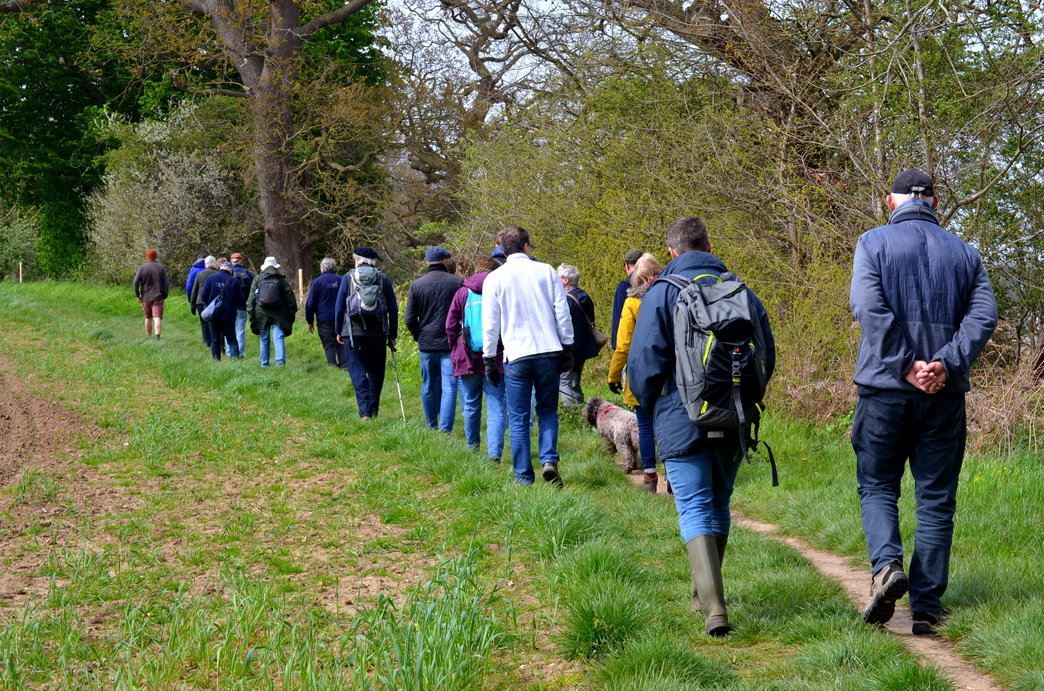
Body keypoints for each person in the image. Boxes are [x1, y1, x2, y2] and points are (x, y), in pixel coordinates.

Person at [850, 169, 997, 635]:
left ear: (890, 203)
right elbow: (984, 315)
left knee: (878, 487)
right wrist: (944, 365)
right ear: (935, 202)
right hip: (943, 396)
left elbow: (867, 308)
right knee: (935, 499)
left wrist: (906, 365)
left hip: (883, 391)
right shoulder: (966, 253)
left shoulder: (872, 244)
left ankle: (887, 568)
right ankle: (928, 608)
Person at [628, 216, 775, 636]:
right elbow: (767, 354)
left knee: (693, 506)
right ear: (709, 244)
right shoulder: (741, 291)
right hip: (734, 416)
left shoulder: (660, 294)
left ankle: (714, 608)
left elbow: (643, 367)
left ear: (672, 252)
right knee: (718, 504)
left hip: (679, 417)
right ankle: (703, 598)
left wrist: (657, 404)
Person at [482, 226, 574, 485]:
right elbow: (561, 312)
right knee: (547, 412)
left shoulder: (495, 278)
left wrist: (489, 358)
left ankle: (523, 476)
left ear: (503, 250)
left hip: (517, 356)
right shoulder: (546, 270)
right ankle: (548, 460)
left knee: (519, 417)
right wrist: (568, 345)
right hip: (548, 351)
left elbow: (490, 324)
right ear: (526, 247)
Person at [607, 253, 663, 491]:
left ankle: (650, 476)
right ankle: (673, 475)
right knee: (668, 425)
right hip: (671, 372)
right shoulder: (671, 296)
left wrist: (614, 374)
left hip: (641, 373)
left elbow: (624, 345)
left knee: (645, 426)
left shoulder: (633, 302)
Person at [446, 256, 507, 461]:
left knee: (471, 404)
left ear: (476, 269)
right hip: (496, 357)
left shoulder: (463, 292)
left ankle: (473, 450)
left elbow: (450, 324)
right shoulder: (500, 289)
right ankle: (494, 454)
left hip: (468, 356)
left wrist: (455, 347)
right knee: (496, 404)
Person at [405, 246, 464, 432]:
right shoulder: (457, 282)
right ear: (445, 261)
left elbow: (409, 319)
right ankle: (445, 429)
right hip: (450, 343)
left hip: (427, 344)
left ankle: (430, 425)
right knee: (449, 387)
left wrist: (418, 334)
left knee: (428, 385)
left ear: (427, 262)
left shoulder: (417, 285)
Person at [335, 247, 398, 420]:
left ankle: (365, 413)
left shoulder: (348, 278)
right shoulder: (383, 278)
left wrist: (338, 331)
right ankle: (374, 409)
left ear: (357, 259)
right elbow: (392, 308)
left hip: (353, 333)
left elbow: (340, 306)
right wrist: (392, 334)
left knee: (358, 372)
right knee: (376, 373)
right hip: (378, 334)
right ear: (374, 261)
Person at [557, 264, 598, 406]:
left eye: (558, 276)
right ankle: (581, 410)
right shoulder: (584, 296)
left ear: (565, 280)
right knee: (575, 382)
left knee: (564, 382)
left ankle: (572, 415)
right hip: (584, 346)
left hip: (569, 347)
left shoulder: (566, 300)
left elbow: (562, 325)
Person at [247, 256, 297, 367]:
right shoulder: (281, 280)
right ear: (276, 267)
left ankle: (264, 364)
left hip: (261, 312)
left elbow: (251, 299)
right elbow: (290, 298)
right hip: (279, 312)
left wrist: (251, 313)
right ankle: (280, 362)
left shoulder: (258, 279)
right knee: (278, 338)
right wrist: (291, 313)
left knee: (264, 339)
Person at [199, 261, 246, 360]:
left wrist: (210, 304)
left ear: (220, 268)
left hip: (213, 314)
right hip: (229, 314)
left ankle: (216, 361)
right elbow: (240, 300)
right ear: (230, 269)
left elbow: (203, 296)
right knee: (231, 338)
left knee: (215, 339)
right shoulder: (234, 281)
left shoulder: (211, 278)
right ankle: (235, 359)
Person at [306, 257, 344, 366]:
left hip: (324, 318)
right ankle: (345, 364)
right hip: (341, 317)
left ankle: (332, 364)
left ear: (322, 269)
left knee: (329, 343)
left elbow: (310, 304)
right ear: (334, 268)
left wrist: (310, 321)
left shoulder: (317, 282)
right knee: (341, 341)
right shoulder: (341, 280)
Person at [132, 249, 170, 340]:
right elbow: (166, 283)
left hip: (146, 297)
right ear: (156, 256)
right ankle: (157, 336)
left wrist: (137, 295)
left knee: (148, 317)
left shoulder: (142, 268)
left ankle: (148, 336)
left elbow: (135, 282)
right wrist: (165, 294)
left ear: (147, 257)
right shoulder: (161, 268)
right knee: (157, 317)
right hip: (158, 297)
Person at [611, 249, 643, 350]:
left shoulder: (624, 286)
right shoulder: (655, 281)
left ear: (627, 265)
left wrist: (616, 345)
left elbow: (619, 315)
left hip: (630, 341)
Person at [189, 256, 218, 348]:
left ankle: (206, 342)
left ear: (206, 264)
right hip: (214, 302)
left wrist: (192, 304)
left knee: (204, 323)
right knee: (214, 322)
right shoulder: (218, 274)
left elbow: (194, 290)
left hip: (200, 301)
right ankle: (215, 341)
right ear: (215, 263)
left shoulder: (200, 274)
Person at [228, 253, 254, 357]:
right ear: (241, 261)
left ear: (231, 261)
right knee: (240, 330)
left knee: (229, 330)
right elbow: (253, 291)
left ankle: (229, 352)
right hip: (242, 306)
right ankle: (240, 353)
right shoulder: (248, 274)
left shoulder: (228, 273)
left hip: (229, 307)